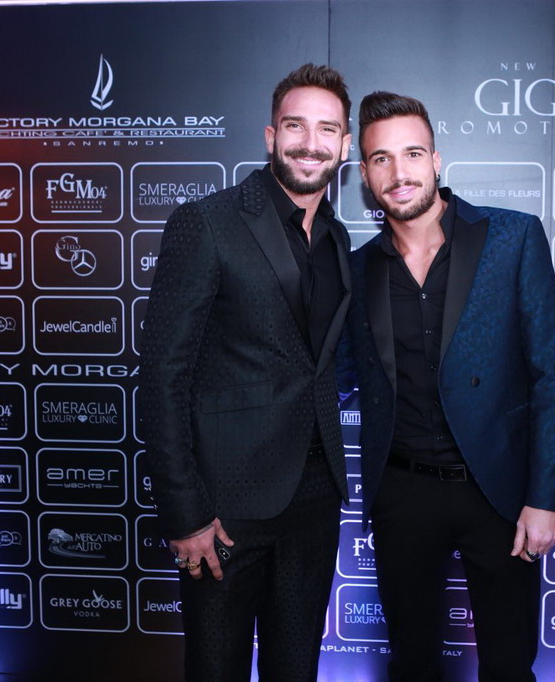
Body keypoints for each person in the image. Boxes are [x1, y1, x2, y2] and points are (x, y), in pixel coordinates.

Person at [340, 91, 555, 681]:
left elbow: (551, 375)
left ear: (436, 160)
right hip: (402, 494)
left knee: (508, 664)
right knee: (412, 663)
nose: (399, 173)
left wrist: (546, 497)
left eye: (412, 154)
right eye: (381, 159)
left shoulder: (513, 237)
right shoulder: (358, 269)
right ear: (365, 174)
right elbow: (335, 373)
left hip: (496, 492)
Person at [139, 63, 352, 682]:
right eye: (295, 125)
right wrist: (185, 513)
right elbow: (162, 376)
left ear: (344, 146)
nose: (310, 143)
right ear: (270, 135)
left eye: (327, 130)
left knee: (297, 669)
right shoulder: (208, 222)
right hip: (225, 509)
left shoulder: (338, 238)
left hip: (315, 501)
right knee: (216, 669)